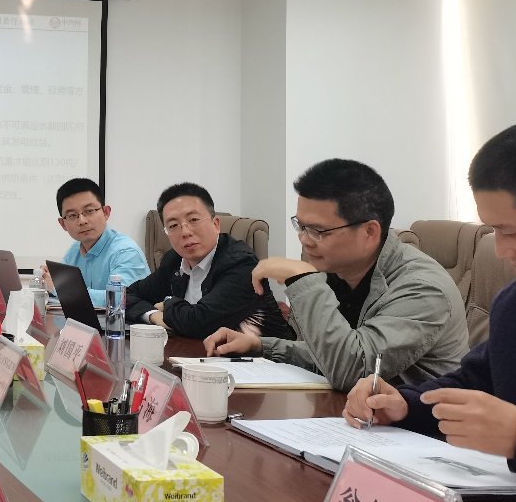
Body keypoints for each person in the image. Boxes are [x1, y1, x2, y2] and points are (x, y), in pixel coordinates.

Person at [345, 121, 516, 492]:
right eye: (492, 230)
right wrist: (406, 405)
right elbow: (476, 383)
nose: (500, 250)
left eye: (511, 231)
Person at [205, 159, 468, 391]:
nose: (304, 240)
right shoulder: (339, 270)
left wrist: (303, 280)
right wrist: (261, 347)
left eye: (318, 231)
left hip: (419, 427)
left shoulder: (423, 287)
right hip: (354, 417)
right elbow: (330, 354)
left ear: (369, 232)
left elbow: (352, 370)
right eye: (301, 226)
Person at [126, 182, 293, 340]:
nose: (185, 232)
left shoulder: (242, 264)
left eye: (193, 220)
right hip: (199, 355)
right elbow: (126, 296)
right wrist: (155, 316)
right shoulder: (174, 260)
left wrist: (167, 303)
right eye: (174, 225)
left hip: (267, 358)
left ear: (216, 224)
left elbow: (198, 323)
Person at [41, 178, 149, 306]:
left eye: (89, 211)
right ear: (63, 224)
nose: (82, 221)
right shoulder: (74, 250)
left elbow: (121, 300)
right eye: (72, 215)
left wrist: (60, 288)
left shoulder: (126, 252)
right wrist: (49, 277)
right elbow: (61, 287)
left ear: (106, 212)